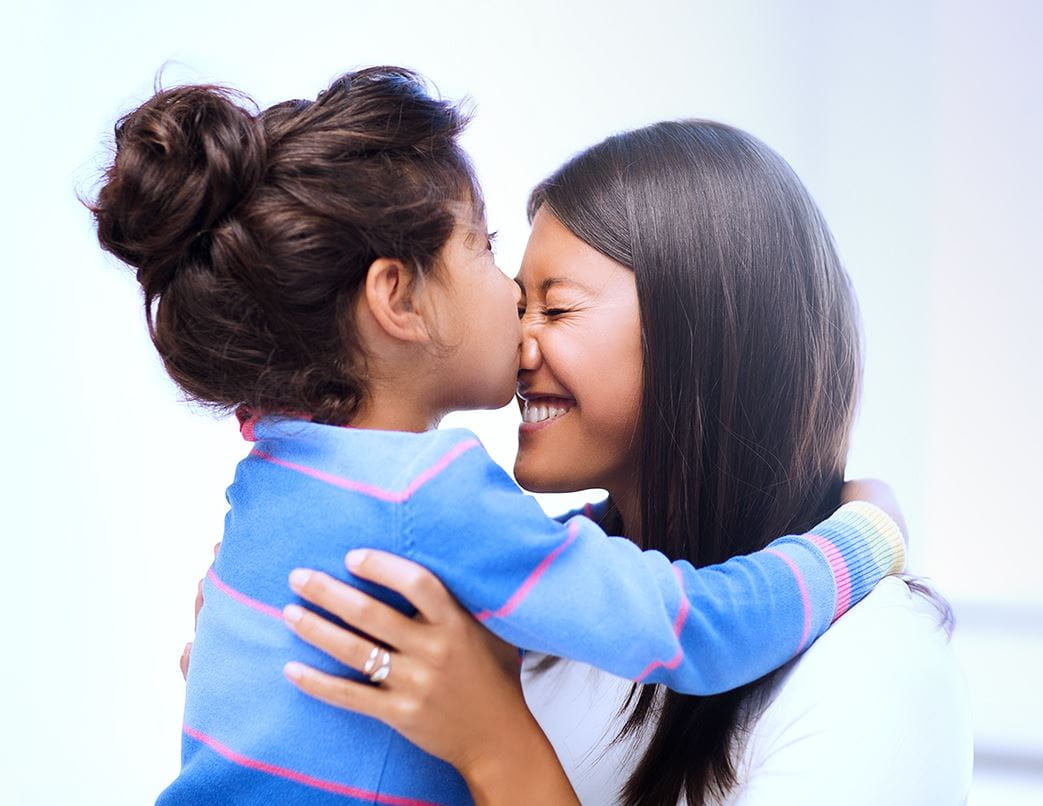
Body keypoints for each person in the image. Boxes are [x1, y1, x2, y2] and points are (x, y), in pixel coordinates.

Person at [91, 67, 906, 805]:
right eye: (485, 250)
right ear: (397, 301)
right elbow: (700, 628)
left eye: (558, 305)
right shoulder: (431, 493)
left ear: (705, 331)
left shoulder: (277, 470)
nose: (518, 315)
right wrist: (864, 537)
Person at [269, 121, 974, 804]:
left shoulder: (876, 659)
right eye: (519, 307)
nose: (518, 347)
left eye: (557, 310)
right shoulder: (525, 622)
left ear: (702, 335)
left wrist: (493, 744)